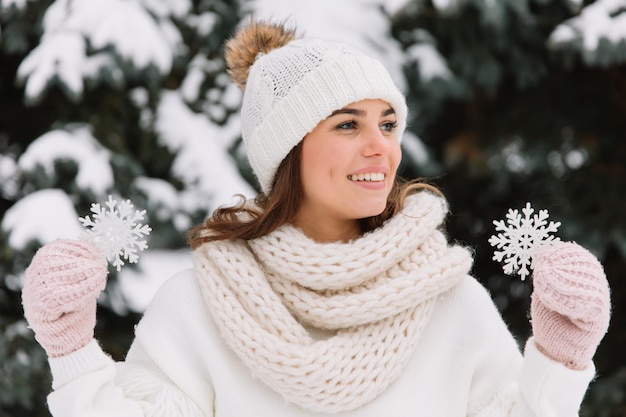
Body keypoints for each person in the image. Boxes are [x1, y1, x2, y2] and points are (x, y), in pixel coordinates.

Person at [22, 20, 611, 417]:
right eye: (348, 124)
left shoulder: (451, 304)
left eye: (387, 124)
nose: (381, 147)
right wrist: (72, 351)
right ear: (288, 151)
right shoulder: (198, 307)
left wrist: (560, 356)